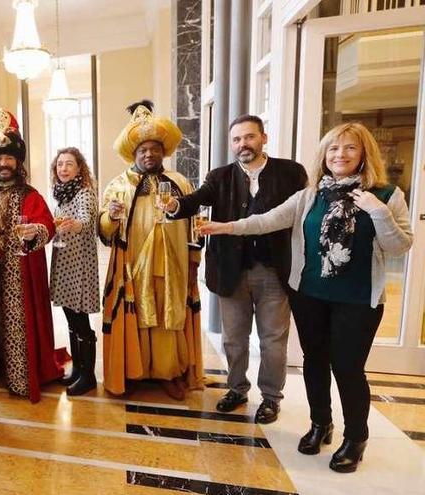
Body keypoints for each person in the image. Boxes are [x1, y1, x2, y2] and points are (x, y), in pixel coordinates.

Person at [200, 122, 412, 473]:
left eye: (348, 149)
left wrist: (378, 211)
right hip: (310, 294)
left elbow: (399, 246)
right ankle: (320, 424)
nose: (339, 155)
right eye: (333, 149)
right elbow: (266, 220)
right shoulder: (311, 194)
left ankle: (355, 437)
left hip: (358, 300)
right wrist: (224, 227)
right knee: (314, 361)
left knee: (347, 368)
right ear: (324, 156)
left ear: (363, 155)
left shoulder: (386, 196)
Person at [159, 114, 307, 423]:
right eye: (237, 139)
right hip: (231, 271)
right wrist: (175, 206)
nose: (243, 144)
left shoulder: (291, 173)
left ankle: (270, 398)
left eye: (250, 137)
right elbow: (197, 199)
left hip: (274, 271)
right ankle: (237, 389)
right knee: (234, 339)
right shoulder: (220, 176)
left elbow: (304, 215)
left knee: (272, 341)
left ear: (263, 138)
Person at [98, 100, 204, 400]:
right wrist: (112, 217)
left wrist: (194, 260)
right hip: (133, 266)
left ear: (163, 151)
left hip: (174, 266)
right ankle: (134, 372)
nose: (149, 154)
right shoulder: (118, 185)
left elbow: (195, 223)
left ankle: (168, 373)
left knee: (168, 317)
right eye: (143, 150)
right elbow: (105, 229)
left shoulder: (180, 182)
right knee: (136, 315)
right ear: (134, 153)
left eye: (154, 149)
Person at [0, 108, 67, 403]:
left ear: (17, 161)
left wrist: (36, 230)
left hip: (18, 274)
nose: (3, 164)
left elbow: (46, 225)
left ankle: (20, 373)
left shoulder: (30, 194)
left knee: (18, 322)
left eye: (8, 158)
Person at [48, 147, 100, 396]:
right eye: (60, 164)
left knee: (81, 322)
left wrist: (76, 224)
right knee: (70, 318)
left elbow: (86, 219)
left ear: (80, 168)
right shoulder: (60, 195)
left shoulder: (84, 193)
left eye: (69, 164)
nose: (64, 169)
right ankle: (78, 370)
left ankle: (88, 376)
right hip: (64, 262)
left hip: (79, 265)